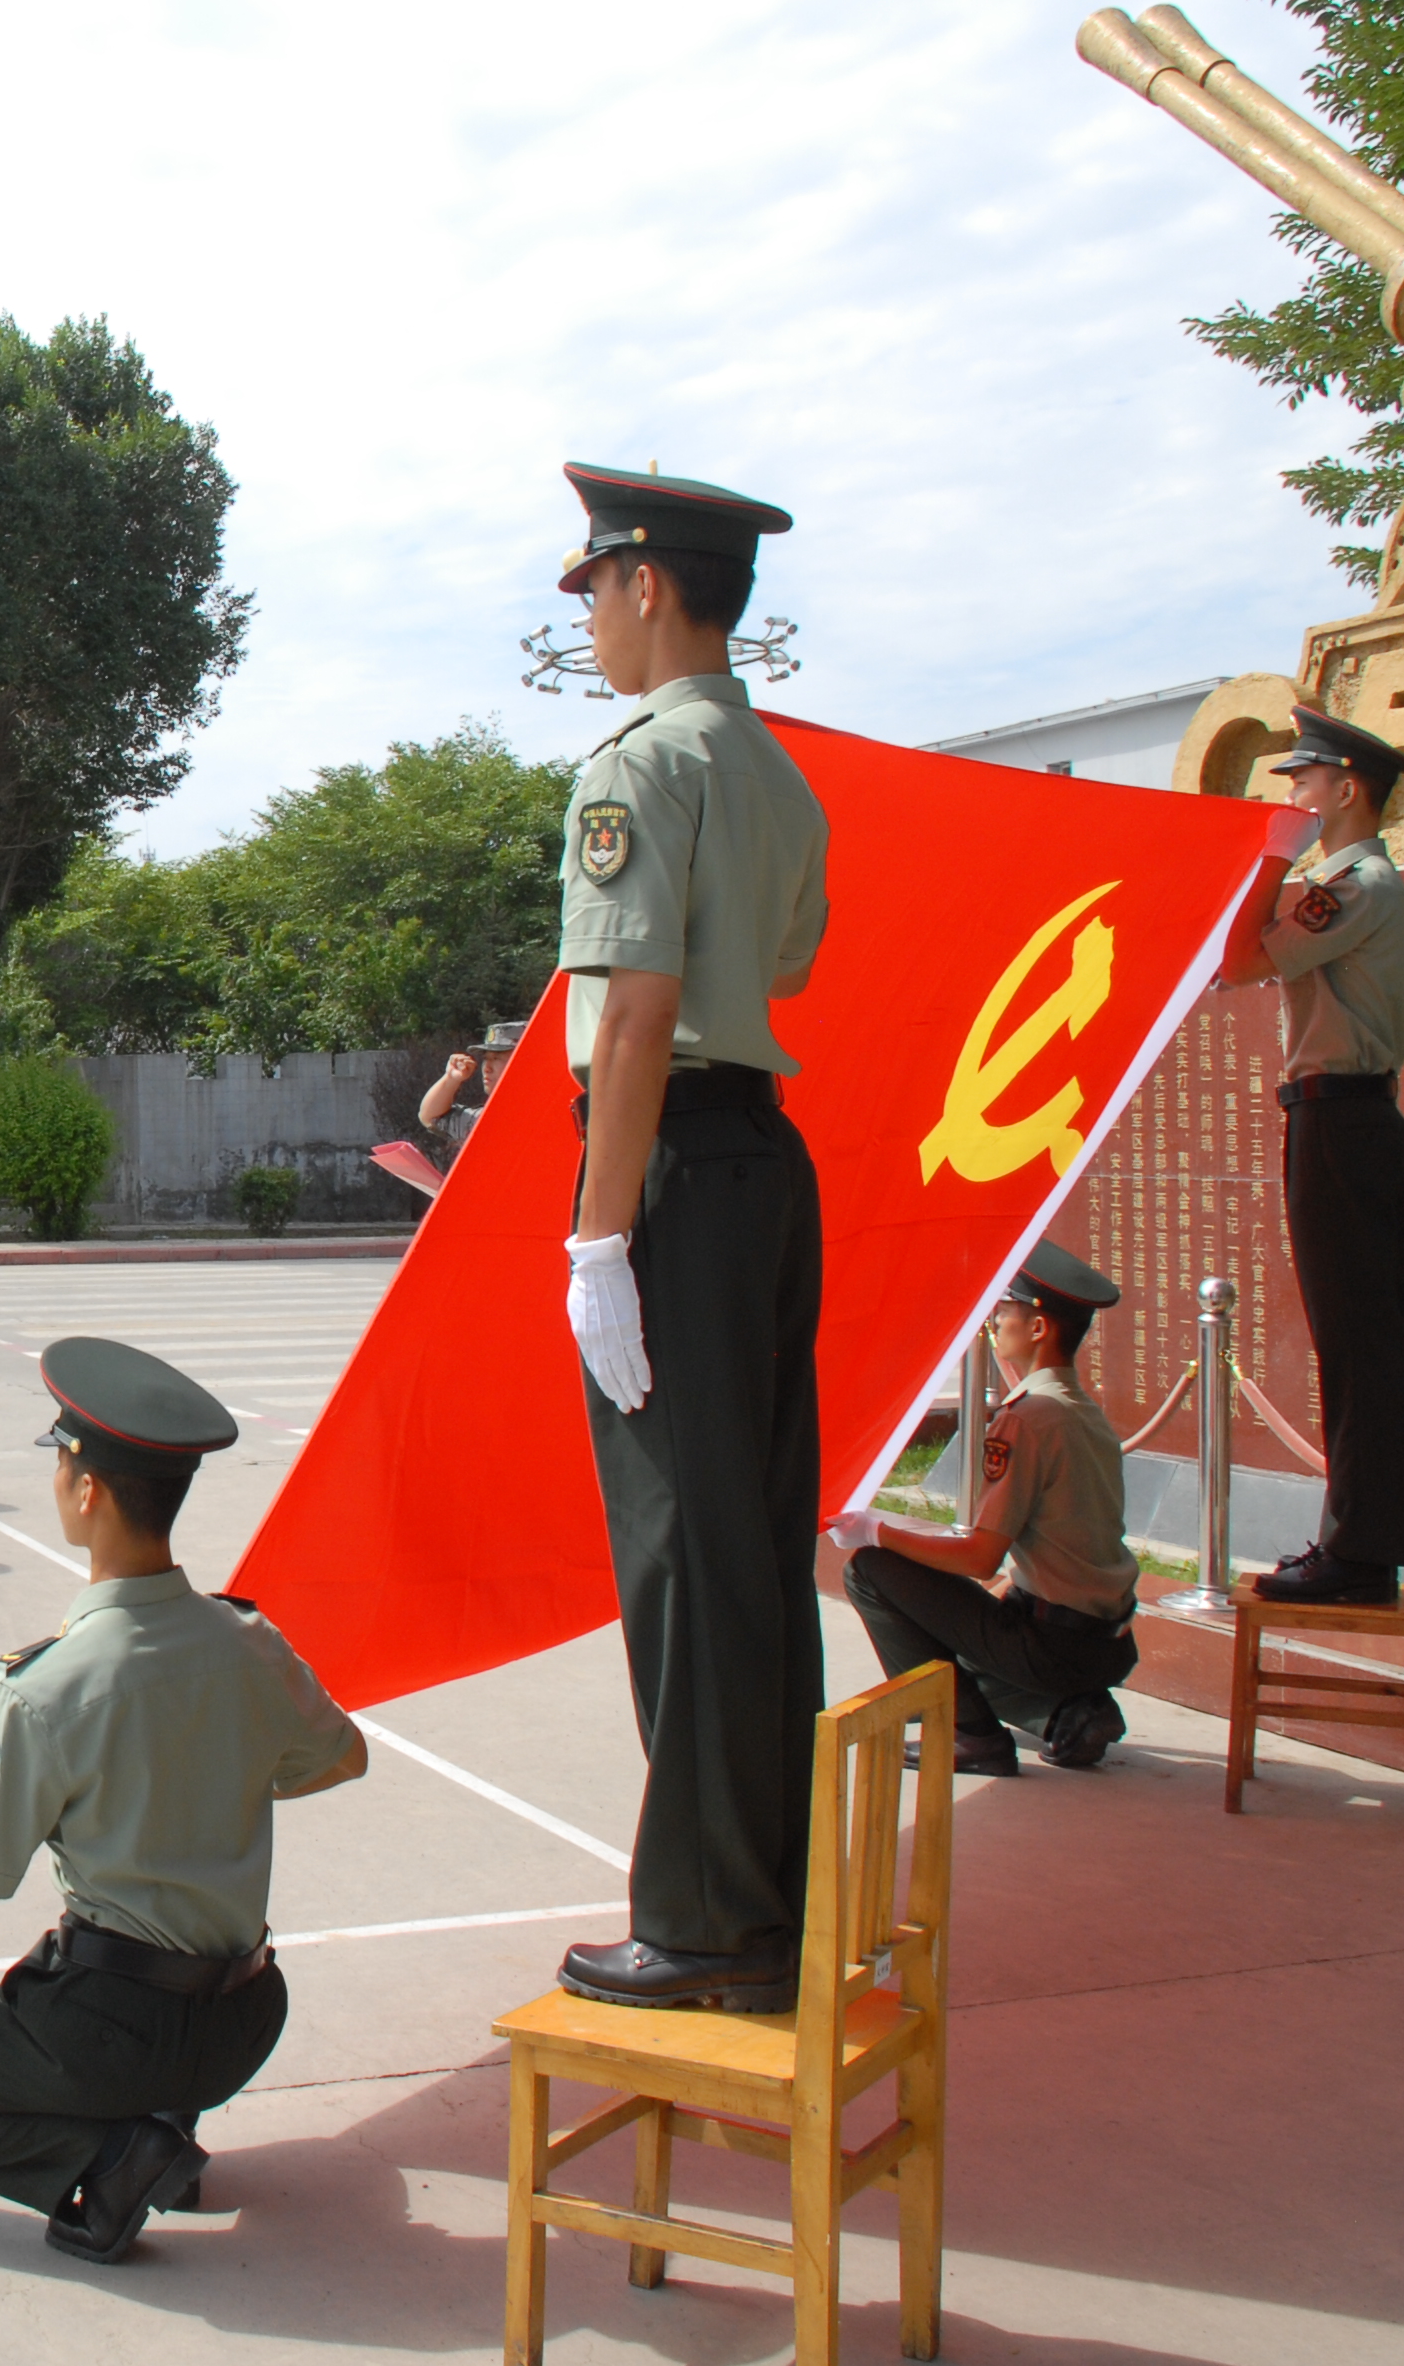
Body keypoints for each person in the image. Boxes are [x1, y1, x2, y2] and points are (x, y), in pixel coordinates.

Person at [0, 1338, 367, 2265]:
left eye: (62, 1460)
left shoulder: (43, 1691)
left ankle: (113, 2156)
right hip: (244, 2020)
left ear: (88, 1489)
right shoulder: (248, 1642)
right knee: (114, 1995)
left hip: (115, 2028)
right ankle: (157, 2133)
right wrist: (215, 1765)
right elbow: (344, 1757)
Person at [543, 462, 831, 2015]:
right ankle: (767, 1893)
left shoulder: (635, 766)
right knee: (754, 1545)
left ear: (649, 583)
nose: (589, 615)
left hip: (670, 1174)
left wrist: (598, 1245)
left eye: (594, 586)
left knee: (680, 1553)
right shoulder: (777, 772)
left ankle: (707, 1921)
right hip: (763, 1165)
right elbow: (783, 958)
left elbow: (637, 1014)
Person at [1226, 705, 1404, 1607]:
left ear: (1347, 789)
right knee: (1354, 1340)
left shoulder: (1354, 885)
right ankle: (1359, 1545)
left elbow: (1240, 959)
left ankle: (1360, 1555)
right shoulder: (1345, 879)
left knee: (1363, 1342)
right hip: (1338, 1122)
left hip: (1344, 1125)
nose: (1296, 797)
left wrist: (1267, 858)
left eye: (1304, 782)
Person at [836, 1241, 1139, 1776]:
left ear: (1039, 1329)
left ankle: (969, 1736)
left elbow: (981, 1557)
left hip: (1053, 1643)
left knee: (870, 1573)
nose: (996, 1318)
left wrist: (877, 1532)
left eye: (1006, 1308)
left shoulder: (1028, 1418)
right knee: (954, 1637)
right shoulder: (1081, 1411)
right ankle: (1068, 1712)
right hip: (1104, 1642)